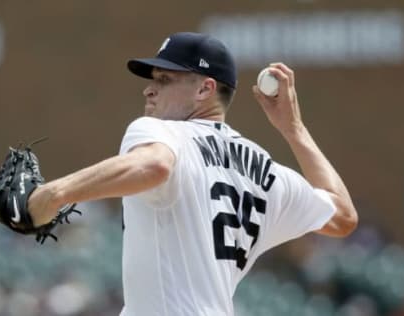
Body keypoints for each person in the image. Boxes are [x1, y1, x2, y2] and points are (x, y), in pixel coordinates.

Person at [27, 32, 358, 316]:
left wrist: (53, 193)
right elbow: (343, 216)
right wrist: (294, 129)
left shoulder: (163, 133)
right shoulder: (267, 171)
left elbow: (155, 165)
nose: (149, 90)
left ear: (205, 89)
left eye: (164, 79)